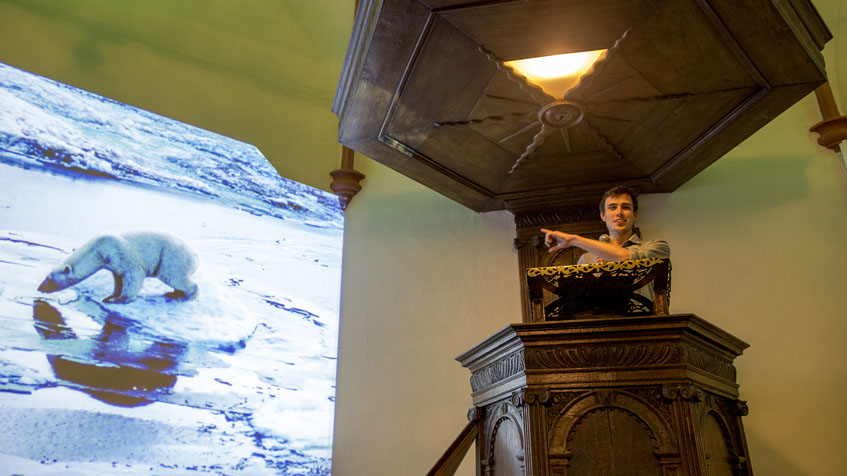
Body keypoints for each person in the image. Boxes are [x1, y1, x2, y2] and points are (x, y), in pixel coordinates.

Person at [541, 186, 669, 264]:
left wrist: (573, 240)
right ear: (603, 216)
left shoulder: (657, 248)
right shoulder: (586, 260)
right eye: (612, 207)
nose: (619, 212)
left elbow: (624, 256)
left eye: (625, 207)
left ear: (635, 214)